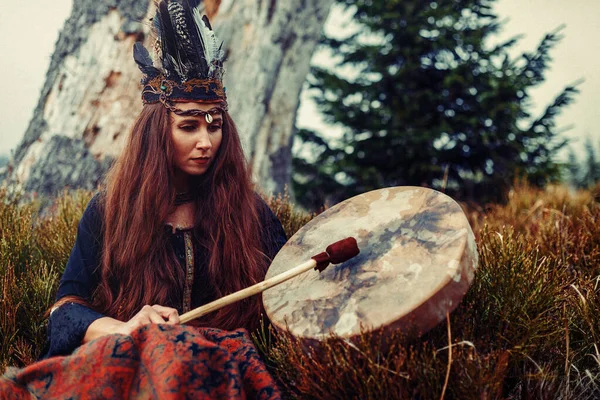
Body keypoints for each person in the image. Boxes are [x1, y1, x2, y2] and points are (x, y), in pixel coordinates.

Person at [0, 1, 286, 398]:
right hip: (135, 373)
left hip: (227, 378)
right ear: (155, 134)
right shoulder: (109, 212)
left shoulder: (250, 212)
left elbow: (288, 303)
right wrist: (127, 329)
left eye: (215, 126)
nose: (206, 142)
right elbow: (64, 310)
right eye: (188, 126)